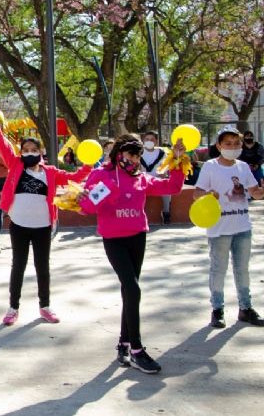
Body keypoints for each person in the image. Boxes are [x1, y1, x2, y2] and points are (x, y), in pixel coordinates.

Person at [79, 134, 186, 374]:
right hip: (113, 239)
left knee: (130, 290)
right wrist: (102, 193)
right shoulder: (102, 176)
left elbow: (173, 187)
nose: (135, 160)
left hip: (137, 236)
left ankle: (123, 344)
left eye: (137, 155)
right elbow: (86, 208)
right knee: (133, 287)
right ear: (118, 154)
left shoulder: (141, 178)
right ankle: (137, 350)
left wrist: (178, 161)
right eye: (130, 154)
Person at [0, 111, 92, 326]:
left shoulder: (50, 172)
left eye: (34, 150)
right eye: (25, 150)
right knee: (19, 266)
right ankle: (12, 308)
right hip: (19, 226)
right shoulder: (15, 165)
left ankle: (45, 306)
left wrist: (89, 163)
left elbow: (76, 177)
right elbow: (0, 141)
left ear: (41, 152)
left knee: (42, 267)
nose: (29, 153)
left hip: (43, 227)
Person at [194, 126, 264, 329]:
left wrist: (261, 191)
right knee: (218, 270)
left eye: (236, 144)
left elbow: (254, 192)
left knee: (242, 270)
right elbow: (196, 193)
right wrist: (209, 196)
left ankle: (246, 308)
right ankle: (217, 309)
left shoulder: (243, 167)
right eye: (227, 144)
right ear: (219, 146)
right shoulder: (210, 166)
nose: (232, 147)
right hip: (219, 229)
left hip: (242, 227)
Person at [140, 131, 172, 224]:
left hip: (158, 179)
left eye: (152, 139)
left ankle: (166, 212)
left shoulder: (162, 153)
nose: (149, 141)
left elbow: (166, 165)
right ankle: (140, 214)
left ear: (156, 141)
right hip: (142, 180)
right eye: (147, 139)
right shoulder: (138, 152)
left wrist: (163, 173)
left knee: (166, 188)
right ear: (143, 140)